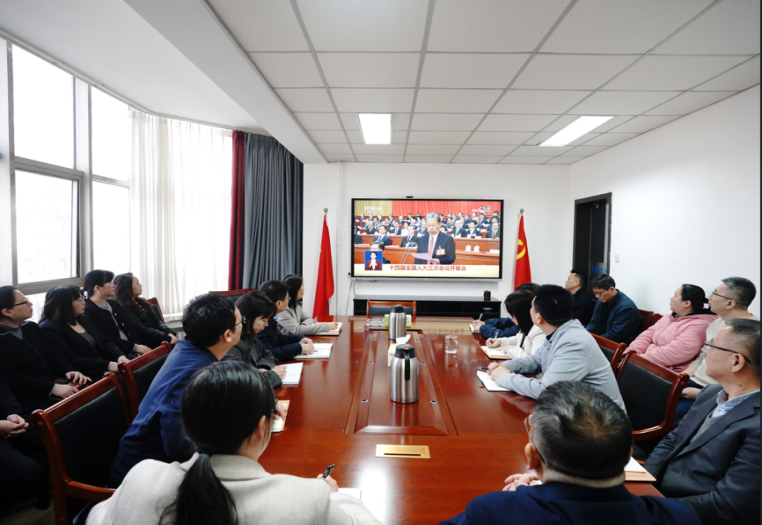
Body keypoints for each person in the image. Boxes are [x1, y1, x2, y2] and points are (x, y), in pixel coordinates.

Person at [92, 361, 381, 525]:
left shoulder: (141, 476)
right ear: (261, 427)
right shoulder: (307, 500)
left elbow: (97, 517)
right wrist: (333, 495)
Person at [441, 381, 700, 525]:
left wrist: (520, 499)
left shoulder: (492, 512)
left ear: (532, 458)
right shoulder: (678, 517)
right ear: (627, 456)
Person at [110, 293, 246, 485]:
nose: (243, 325)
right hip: (142, 477)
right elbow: (179, 447)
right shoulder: (194, 373)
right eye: (241, 322)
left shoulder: (190, 347)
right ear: (228, 335)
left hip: (159, 465)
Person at [644, 319, 760, 525]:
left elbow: (726, 505)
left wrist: (655, 508)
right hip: (658, 496)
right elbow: (672, 440)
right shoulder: (711, 393)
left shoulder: (756, 426)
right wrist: (645, 484)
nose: (706, 351)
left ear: (736, 361)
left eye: (712, 346)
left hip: (690, 515)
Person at [488, 285, 625, 411]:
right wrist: (506, 366)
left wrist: (505, 377)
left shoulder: (574, 342)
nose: (529, 310)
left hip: (601, 422)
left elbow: (547, 391)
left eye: (531, 307)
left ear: (538, 318)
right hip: (576, 409)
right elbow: (535, 360)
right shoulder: (559, 331)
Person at [0, 286, 90, 412]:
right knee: (80, 407)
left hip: (53, 381)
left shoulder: (30, 327)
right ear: (7, 312)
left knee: (94, 392)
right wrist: (52, 389)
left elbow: (53, 353)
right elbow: (12, 377)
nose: (30, 304)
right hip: (29, 393)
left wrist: (69, 370)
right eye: (25, 302)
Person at [679, 276, 758, 419]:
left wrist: (701, 394)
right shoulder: (716, 323)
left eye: (715, 293)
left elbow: (749, 385)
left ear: (730, 303)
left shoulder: (753, 334)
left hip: (718, 394)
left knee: (661, 414)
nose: (709, 297)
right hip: (695, 382)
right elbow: (702, 357)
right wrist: (680, 379)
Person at [40, 286, 128, 379]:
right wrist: (107, 365)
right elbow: (71, 359)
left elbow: (104, 341)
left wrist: (120, 356)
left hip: (108, 364)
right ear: (65, 304)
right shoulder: (49, 329)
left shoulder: (83, 319)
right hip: (86, 374)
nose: (83, 302)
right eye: (79, 300)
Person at [625, 285, 716, 373]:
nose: (671, 298)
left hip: (664, 371)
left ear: (686, 303)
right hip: (643, 361)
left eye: (675, 295)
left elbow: (672, 353)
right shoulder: (669, 316)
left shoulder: (700, 325)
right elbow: (646, 335)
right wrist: (630, 353)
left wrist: (635, 360)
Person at [0, 373, 44, 513]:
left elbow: (1, 387)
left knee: (55, 431)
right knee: (24, 474)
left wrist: (12, 412)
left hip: (4, 420)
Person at [225, 291, 287, 389]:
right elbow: (239, 383)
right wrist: (271, 375)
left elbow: (267, 354)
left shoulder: (250, 334)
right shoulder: (231, 342)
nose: (266, 325)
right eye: (264, 320)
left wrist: (262, 368)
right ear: (247, 317)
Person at [83, 270, 152, 359]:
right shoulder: (88, 310)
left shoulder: (113, 304)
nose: (114, 285)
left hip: (132, 349)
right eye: (110, 282)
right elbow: (105, 338)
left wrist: (137, 347)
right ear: (98, 288)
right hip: (115, 355)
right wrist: (134, 347)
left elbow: (129, 328)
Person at [113, 273, 178, 348]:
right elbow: (141, 330)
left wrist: (169, 333)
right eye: (137, 283)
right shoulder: (123, 307)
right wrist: (167, 338)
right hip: (147, 343)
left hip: (160, 338)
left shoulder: (141, 302)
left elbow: (158, 322)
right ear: (128, 287)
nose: (141, 285)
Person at [257, 280, 314, 362]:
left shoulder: (270, 318)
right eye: (287, 298)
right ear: (279, 303)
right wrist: (298, 348)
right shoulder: (261, 322)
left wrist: (299, 338)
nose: (289, 300)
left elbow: (279, 339)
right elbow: (268, 353)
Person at [485, 291, 545, 359]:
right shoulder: (525, 325)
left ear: (521, 313)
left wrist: (511, 350)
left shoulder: (539, 331)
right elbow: (517, 339)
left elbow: (534, 361)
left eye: (511, 314)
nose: (510, 317)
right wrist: (500, 341)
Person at [586, 274, 642, 345]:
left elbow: (616, 335)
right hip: (600, 338)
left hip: (615, 343)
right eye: (595, 293)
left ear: (611, 289)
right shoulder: (601, 300)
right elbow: (594, 322)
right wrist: (585, 332)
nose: (597, 296)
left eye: (599, 293)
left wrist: (593, 342)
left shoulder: (626, 307)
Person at [472, 283, 539, 339]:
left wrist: (482, 328)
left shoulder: (532, 326)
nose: (510, 317)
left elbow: (501, 335)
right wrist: (485, 323)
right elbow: (504, 322)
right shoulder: (522, 319)